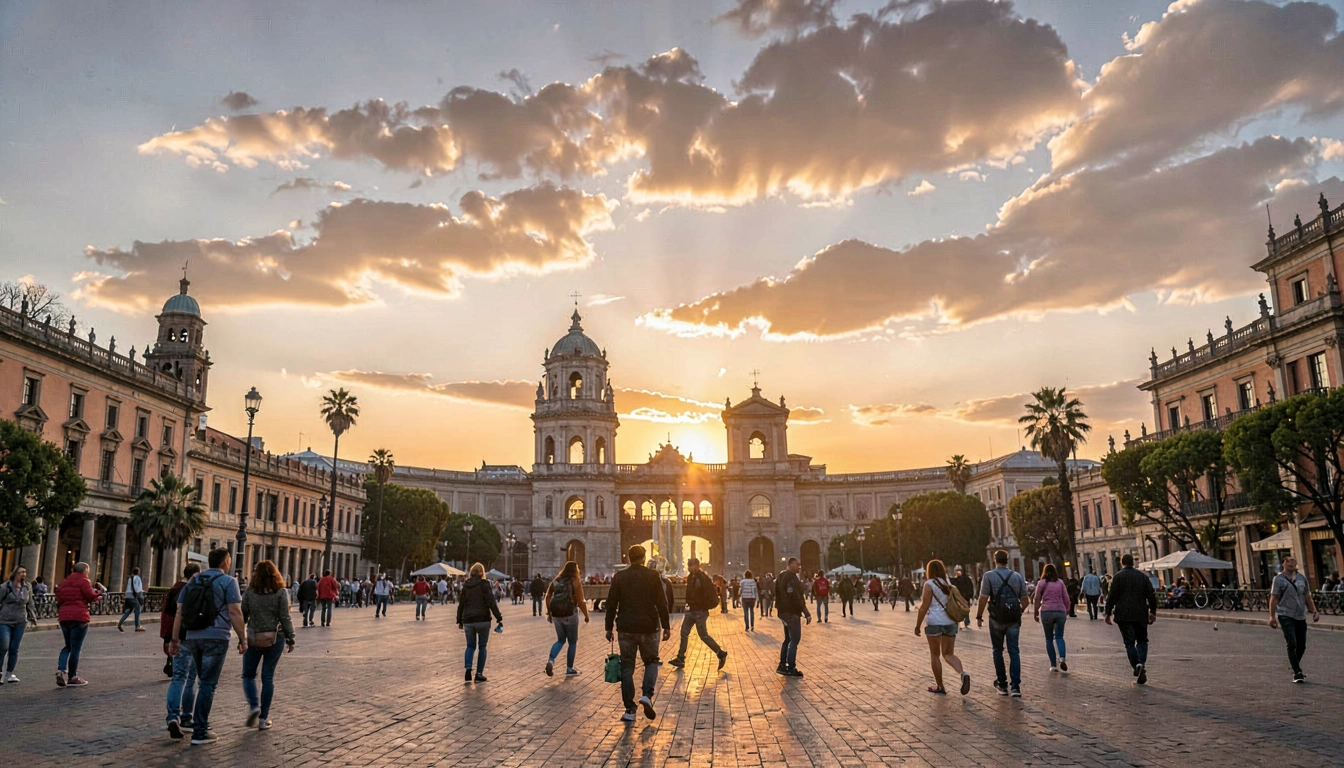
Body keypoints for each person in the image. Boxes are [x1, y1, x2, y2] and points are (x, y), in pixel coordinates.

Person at [168, 548, 246, 745]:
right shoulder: (229, 582)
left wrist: (175, 639)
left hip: (193, 636)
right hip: (216, 637)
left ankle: (193, 723)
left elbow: (179, 611)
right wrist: (243, 638)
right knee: (207, 684)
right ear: (225, 561)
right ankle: (200, 731)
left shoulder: (193, 580)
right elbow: (235, 611)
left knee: (199, 680)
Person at [605, 545, 671, 722]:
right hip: (648, 626)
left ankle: (630, 710)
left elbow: (611, 604)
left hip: (626, 627)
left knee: (627, 667)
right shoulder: (653, 576)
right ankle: (647, 695)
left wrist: (608, 628)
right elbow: (662, 603)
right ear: (643, 558)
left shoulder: (619, 577)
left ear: (628, 558)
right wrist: (666, 626)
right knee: (651, 661)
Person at [241, 559, 296, 731]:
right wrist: (291, 637)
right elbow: (285, 617)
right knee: (267, 677)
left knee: (248, 675)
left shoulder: (250, 592)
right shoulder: (281, 592)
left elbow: (243, 614)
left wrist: (241, 638)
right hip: (275, 637)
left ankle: (254, 706)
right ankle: (263, 719)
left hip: (254, 637)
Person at [914, 559, 970, 696]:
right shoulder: (948, 583)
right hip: (950, 621)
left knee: (935, 655)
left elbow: (924, 607)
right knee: (948, 654)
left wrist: (918, 625)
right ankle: (963, 674)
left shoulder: (929, 584)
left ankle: (940, 686)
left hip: (934, 622)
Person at [976, 549, 1026, 697]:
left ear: (995, 560)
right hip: (1013, 619)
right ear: (1007, 560)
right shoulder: (1017, 576)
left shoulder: (989, 576)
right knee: (1014, 651)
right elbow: (1025, 599)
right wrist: (1019, 611)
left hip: (996, 618)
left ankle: (1002, 684)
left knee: (997, 650)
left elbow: (983, 598)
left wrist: (979, 616)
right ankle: (1015, 687)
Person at [1105, 553, 1157, 686]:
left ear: (1121, 563)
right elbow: (1151, 595)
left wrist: (1107, 612)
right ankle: (1142, 664)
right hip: (1140, 613)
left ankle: (1136, 665)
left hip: (1124, 614)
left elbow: (1112, 596)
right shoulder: (1143, 577)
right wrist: (1152, 612)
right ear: (1133, 563)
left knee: (1129, 643)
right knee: (1142, 640)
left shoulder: (1118, 577)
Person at [670, 557, 729, 670]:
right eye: (688, 565)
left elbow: (707, 593)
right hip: (691, 610)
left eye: (691, 565)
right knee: (684, 632)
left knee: (703, 636)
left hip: (700, 611)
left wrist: (703, 606)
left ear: (697, 566)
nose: (689, 568)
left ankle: (720, 653)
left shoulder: (702, 578)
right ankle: (680, 657)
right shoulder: (691, 577)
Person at [163, 562, 200, 739]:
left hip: (179, 635)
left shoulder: (174, 590)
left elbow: (169, 615)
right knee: (191, 679)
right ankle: (186, 717)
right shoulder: (195, 590)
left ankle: (172, 715)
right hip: (194, 636)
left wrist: (170, 638)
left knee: (178, 677)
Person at [1268, 556, 1320, 683]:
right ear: (1283, 564)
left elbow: (1307, 595)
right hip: (1285, 614)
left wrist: (1314, 611)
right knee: (1292, 643)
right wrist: (1272, 616)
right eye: (1288, 561)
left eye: (1293, 561)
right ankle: (1298, 672)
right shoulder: (1278, 579)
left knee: (1301, 646)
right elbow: (1274, 598)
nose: (1291, 563)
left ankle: (1294, 664)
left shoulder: (1302, 578)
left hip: (1300, 615)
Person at [55, 562, 100, 688]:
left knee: (68, 646)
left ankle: (61, 669)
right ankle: (72, 677)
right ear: (85, 571)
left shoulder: (65, 582)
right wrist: (98, 593)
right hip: (79, 616)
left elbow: (59, 596)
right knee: (75, 648)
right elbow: (91, 596)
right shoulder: (84, 581)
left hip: (64, 616)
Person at [457, 563, 503, 683]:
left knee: (470, 646)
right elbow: (491, 602)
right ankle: (479, 674)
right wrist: (498, 617)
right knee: (482, 646)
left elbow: (461, 604)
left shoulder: (466, 585)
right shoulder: (484, 584)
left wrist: (459, 620)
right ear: (482, 572)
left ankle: (468, 668)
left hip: (468, 620)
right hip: (483, 619)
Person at [544, 561, 590, 676]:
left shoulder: (556, 580)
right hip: (570, 614)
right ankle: (569, 668)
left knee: (560, 640)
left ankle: (551, 660)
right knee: (572, 642)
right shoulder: (575, 581)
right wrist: (586, 615)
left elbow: (548, 596)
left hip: (556, 615)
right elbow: (580, 601)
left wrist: (549, 612)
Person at [0, 566, 39, 685]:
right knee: (4, 646)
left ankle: (10, 673)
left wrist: (33, 616)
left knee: (14, 648)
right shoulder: (5, 587)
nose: (23, 574)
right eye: (21, 572)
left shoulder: (27, 587)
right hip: (4, 620)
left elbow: (30, 603)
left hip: (20, 621)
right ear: (15, 573)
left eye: (24, 572)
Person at [775, 557, 811, 677]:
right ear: (790, 564)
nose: (799, 567)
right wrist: (806, 613)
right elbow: (796, 597)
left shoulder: (781, 576)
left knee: (788, 639)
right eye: (797, 564)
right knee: (795, 640)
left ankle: (782, 665)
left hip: (783, 611)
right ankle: (791, 667)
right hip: (791, 612)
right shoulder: (791, 578)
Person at [1032, 563, 1072, 673]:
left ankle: (1053, 665)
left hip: (1046, 611)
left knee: (1049, 639)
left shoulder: (1041, 583)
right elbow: (1066, 598)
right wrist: (1067, 609)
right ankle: (1062, 657)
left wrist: (1035, 613)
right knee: (1059, 637)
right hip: (1060, 611)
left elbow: (1036, 599)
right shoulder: (1060, 582)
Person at [118, 566, 147, 632]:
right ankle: (137, 626)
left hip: (127, 596)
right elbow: (137, 588)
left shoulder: (130, 578)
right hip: (133, 596)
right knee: (138, 609)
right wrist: (140, 594)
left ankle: (120, 624)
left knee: (128, 611)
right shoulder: (137, 578)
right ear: (138, 572)